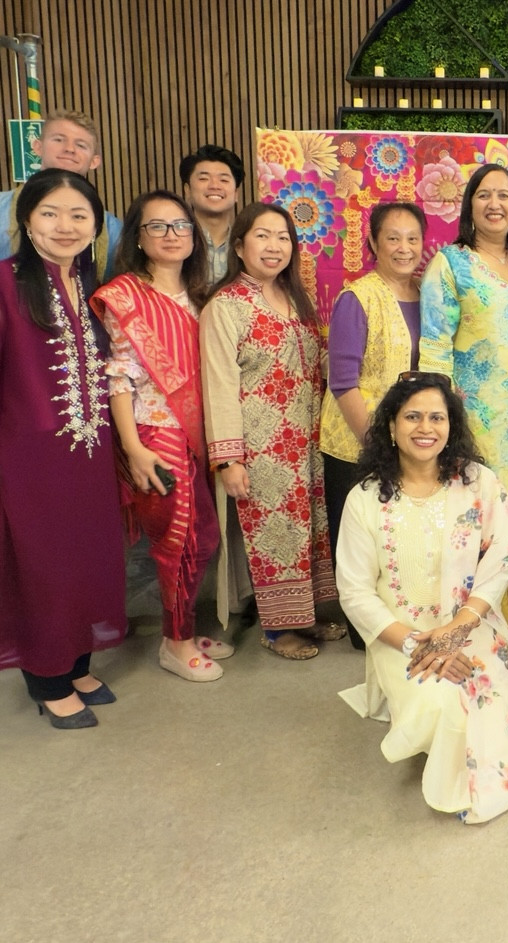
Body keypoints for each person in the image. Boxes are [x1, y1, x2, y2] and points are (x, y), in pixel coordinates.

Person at [334, 373, 508, 824]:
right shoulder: (364, 500)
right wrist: (420, 644)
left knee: (500, 694)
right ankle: (453, 783)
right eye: (413, 417)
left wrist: (458, 628)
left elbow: (506, 552)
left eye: (436, 417)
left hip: (469, 624)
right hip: (401, 637)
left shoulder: (476, 480)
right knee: (446, 705)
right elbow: (355, 592)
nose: (425, 428)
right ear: (390, 426)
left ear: (450, 425)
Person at [0, 169, 127, 729]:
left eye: (80, 215)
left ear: (96, 225)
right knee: (42, 567)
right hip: (29, 459)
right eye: (50, 213)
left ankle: (76, 663)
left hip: (89, 453)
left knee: (86, 559)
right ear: (27, 219)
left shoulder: (91, 287)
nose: (65, 226)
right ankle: (46, 678)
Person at [0, 110, 123, 500]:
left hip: (75, 376)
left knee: (79, 497)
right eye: (58, 140)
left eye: (81, 145)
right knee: (11, 497)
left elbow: (112, 295)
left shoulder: (109, 227)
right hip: (6, 368)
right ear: (36, 147)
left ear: (95, 160)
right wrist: (1, 328)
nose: (69, 150)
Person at [418, 162, 508, 655]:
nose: (495, 204)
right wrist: (442, 417)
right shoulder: (450, 264)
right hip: (475, 415)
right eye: (484, 195)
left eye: (504, 195)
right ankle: (486, 625)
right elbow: (435, 345)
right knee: (485, 513)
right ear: (470, 206)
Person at [201, 202, 343, 660]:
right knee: (275, 536)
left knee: (311, 530)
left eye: (283, 237)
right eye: (262, 236)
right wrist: (228, 458)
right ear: (239, 246)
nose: (274, 246)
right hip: (260, 447)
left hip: (308, 441)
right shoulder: (225, 307)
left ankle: (309, 613)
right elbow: (218, 384)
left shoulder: (298, 300)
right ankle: (280, 629)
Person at [93, 190, 225, 683]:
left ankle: (183, 627)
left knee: (202, 538)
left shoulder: (201, 296)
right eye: (158, 227)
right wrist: (133, 448)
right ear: (139, 238)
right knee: (177, 541)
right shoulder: (125, 295)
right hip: (154, 436)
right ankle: (176, 642)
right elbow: (119, 376)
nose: (172, 235)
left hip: (197, 436)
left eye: (180, 226)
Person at [320, 202, 425, 653]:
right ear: (374, 244)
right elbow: (343, 383)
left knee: (398, 538)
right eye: (393, 238)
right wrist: (376, 447)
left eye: (413, 238)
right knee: (360, 542)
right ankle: (365, 630)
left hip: (410, 442)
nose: (404, 248)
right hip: (356, 443)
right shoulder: (356, 298)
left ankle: (398, 622)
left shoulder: (429, 293)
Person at [179, 144, 244, 282]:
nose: (214, 185)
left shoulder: (247, 245)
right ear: (187, 190)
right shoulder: (174, 241)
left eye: (224, 180)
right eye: (203, 179)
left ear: (236, 194)